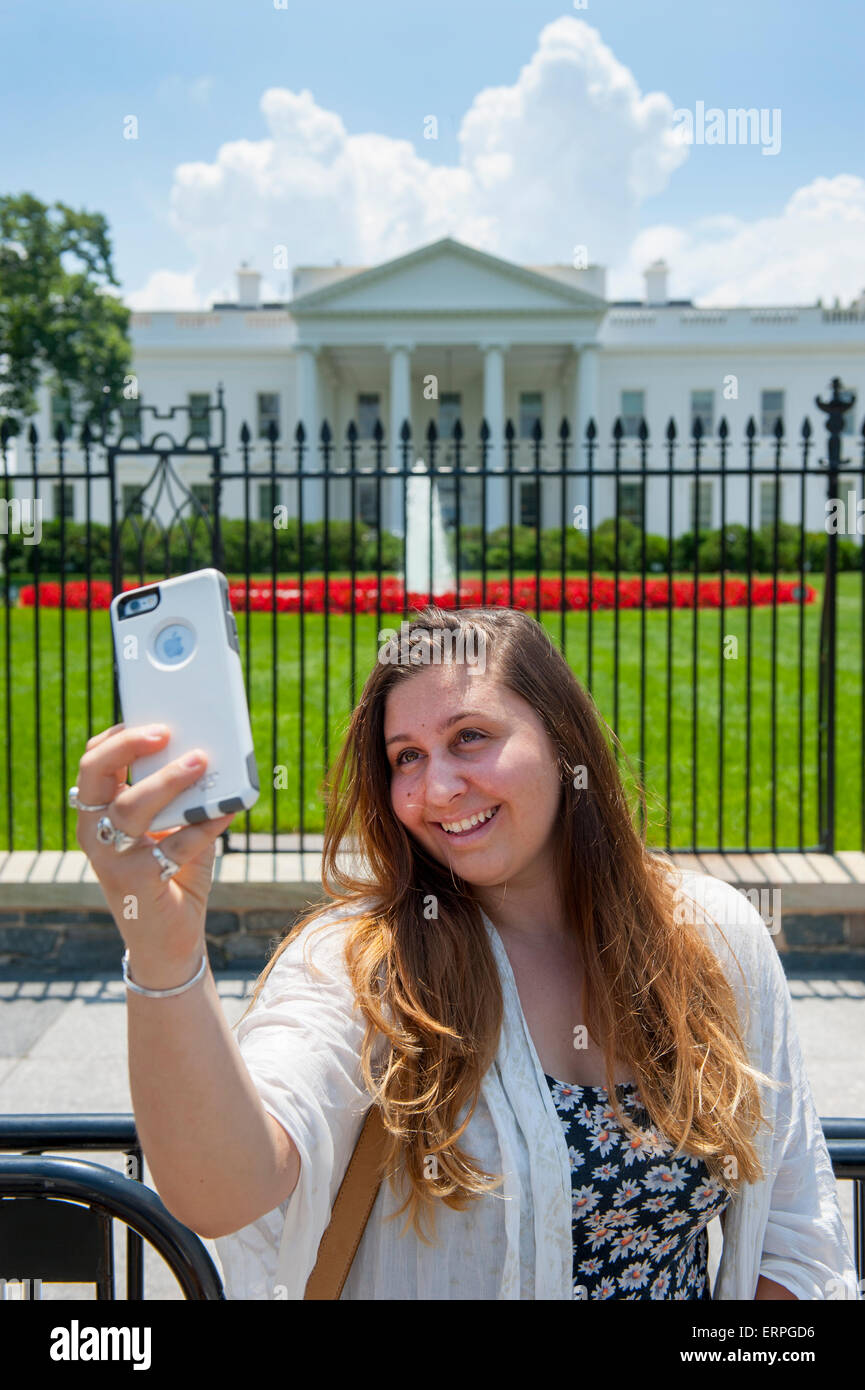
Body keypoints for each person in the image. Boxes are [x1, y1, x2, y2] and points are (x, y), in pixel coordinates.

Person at [74, 605, 858, 1300]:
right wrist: (164, 950)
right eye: (405, 756)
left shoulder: (710, 934)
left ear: (562, 742)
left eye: (469, 738)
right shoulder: (358, 964)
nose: (436, 788)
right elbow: (223, 1192)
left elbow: (792, 1223)